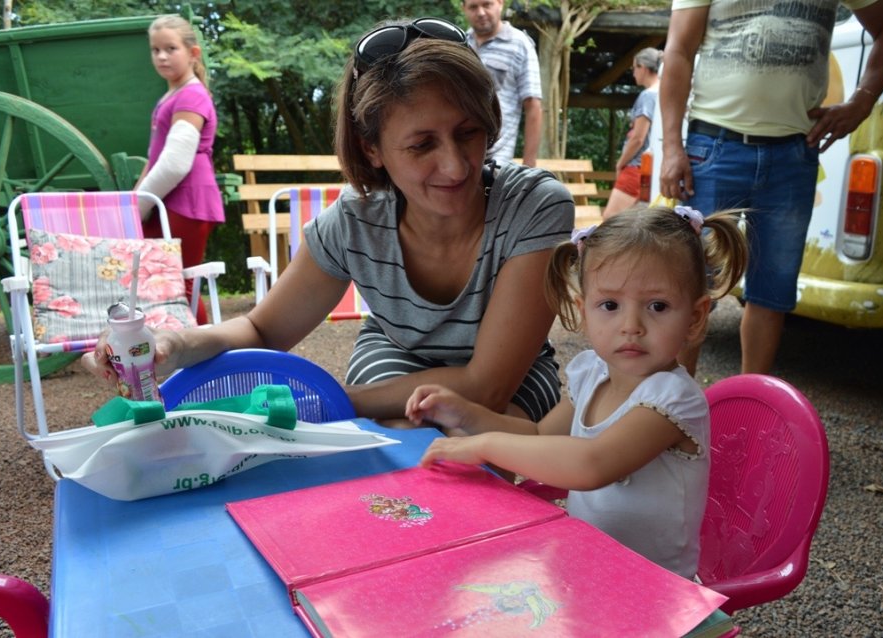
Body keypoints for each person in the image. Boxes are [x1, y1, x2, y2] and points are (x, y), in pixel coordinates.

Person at [85, 18, 575, 427]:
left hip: (512, 375)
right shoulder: (355, 219)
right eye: (422, 144)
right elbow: (261, 330)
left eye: (468, 133)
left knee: (475, 444)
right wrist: (171, 344)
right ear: (371, 148)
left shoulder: (534, 205)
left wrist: (323, 402)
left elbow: (486, 388)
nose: (455, 165)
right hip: (396, 356)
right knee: (406, 439)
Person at [408, 206, 749, 578]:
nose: (631, 325)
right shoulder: (592, 374)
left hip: (656, 587)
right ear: (584, 312)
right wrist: (465, 414)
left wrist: (483, 447)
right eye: (610, 305)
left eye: (658, 306)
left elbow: (592, 465)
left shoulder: (673, 398)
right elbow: (538, 434)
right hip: (590, 568)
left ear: (695, 318)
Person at [658, 0, 883, 376]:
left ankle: (751, 404)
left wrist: (862, 102)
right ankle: (671, 407)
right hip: (712, 148)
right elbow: (678, 49)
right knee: (690, 288)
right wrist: (671, 147)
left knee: (771, 294)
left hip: (794, 154)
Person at [136, 15, 225, 326]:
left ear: (193, 53)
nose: (161, 56)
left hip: (186, 200)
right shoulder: (173, 94)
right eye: (155, 50)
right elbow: (155, 157)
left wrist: (139, 205)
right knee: (170, 284)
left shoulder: (191, 95)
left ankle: (203, 351)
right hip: (170, 201)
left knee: (181, 285)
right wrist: (136, 199)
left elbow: (175, 163)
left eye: (171, 48)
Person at [462, 0, 543, 166]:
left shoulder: (520, 43)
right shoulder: (460, 43)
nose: (481, 12)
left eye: (487, 5)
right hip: (459, 155)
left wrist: (529, 166)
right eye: (473, 7)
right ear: (464, 9)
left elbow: (533, 105)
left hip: (497, 161)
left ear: (500, 3)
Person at [603, 48, 663, 219]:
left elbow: (638, 138)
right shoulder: (664, 94)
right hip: (653, 167)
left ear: (643, 67)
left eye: (634, 68)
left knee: (610, 219)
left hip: (637, 166)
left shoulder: (647, 96)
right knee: (634, 222)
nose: (633, 73)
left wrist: (620, 163)